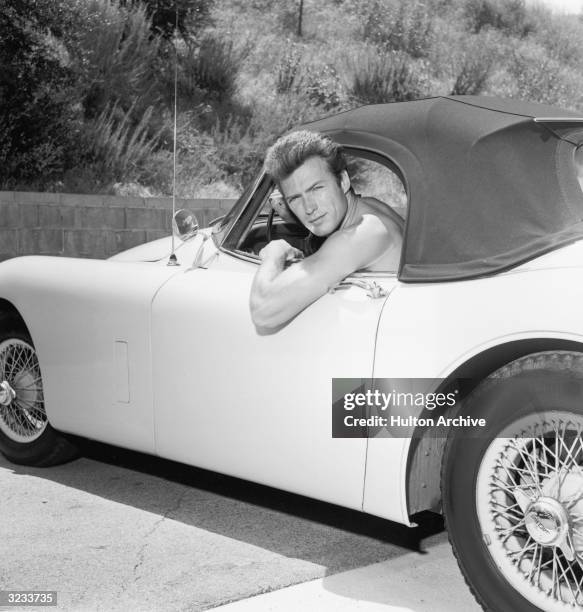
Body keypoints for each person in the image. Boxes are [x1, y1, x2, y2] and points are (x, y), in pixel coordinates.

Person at [249, 130, 403, 332]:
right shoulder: (370, 207)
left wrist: (274, 254)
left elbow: (264, 310)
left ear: (343, 181)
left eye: (317, 189)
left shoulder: (362, 234)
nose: (309, 208)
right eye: (295, 199)